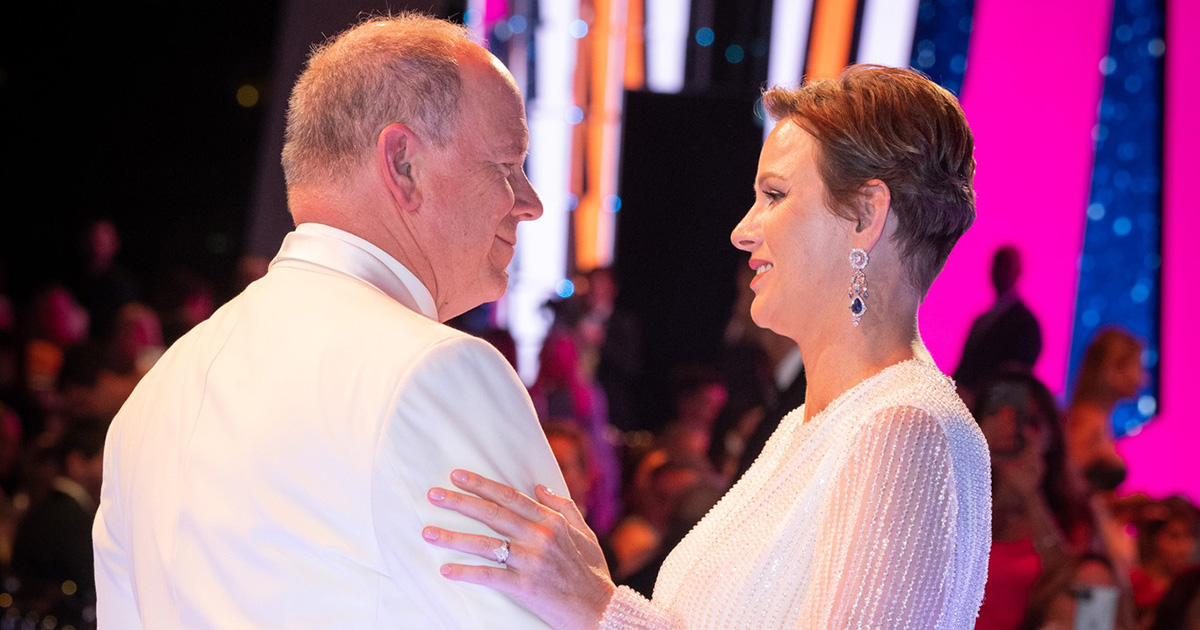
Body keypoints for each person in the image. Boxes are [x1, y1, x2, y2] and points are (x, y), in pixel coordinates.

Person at [421, 64, 991, 629]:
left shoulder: (903, 427)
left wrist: (597, 608)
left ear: (866, 215)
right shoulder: (810, 427)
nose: (743, 229)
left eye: (775, 194)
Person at [92, 14, 567, 629]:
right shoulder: (434, 372)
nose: (531, 203)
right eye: (506, 166)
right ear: (403, 165)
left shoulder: (159, 390)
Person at [954, 245, 1043, 396]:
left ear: (1017, 271)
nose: (999, 272)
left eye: (1005, 266)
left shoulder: (1026, 324)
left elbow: (1016, 375)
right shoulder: (981, 321)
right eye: (997, 265)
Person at [1067, 327, 1145, 494]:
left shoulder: (1097, 419)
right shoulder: (1088, 421)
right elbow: (1066, 483)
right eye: (1137, 367)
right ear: (1112, 369)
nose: (1143, 379)